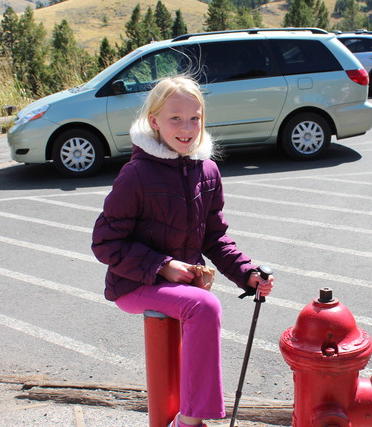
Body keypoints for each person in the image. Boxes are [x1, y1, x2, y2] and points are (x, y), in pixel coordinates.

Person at [91, 76, 274, 427]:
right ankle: (189, 422)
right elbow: (104, 243)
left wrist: (247, 274)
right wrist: (163, 266)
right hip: (132, 284)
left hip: (179, 285)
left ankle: (187, 413)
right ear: (154, 121)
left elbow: (215, 238)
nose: (187, 128)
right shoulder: (136, 175)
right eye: (175, 118)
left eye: (195, 118)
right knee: (203, 305)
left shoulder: (207, 170)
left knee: (198, 305)